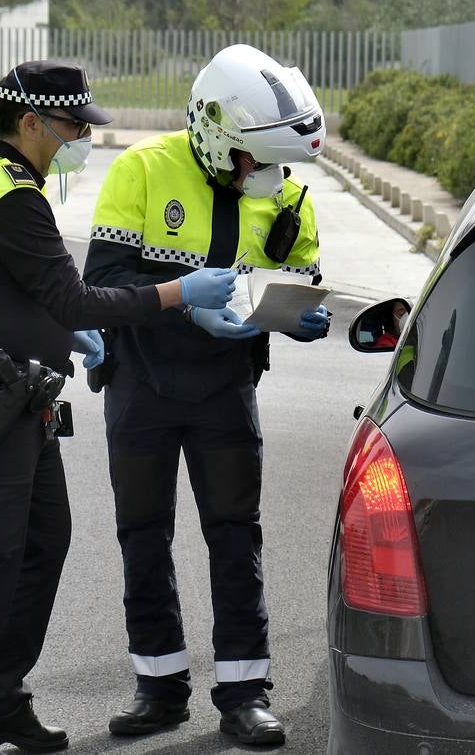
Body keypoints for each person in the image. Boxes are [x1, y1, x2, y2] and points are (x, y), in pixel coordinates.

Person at [0, 61, 239, 753]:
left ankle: (2, 696)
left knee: (45, 543)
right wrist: (177, 293)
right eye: (73, 126)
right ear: (30, 124)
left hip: (25, 399)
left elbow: (24, 296)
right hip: (0, 401)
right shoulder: (10, 195)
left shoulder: (5, 185)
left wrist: (67, 334)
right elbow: (71, 296)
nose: (82, 138)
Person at [83, 44, 331, 746]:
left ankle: (245, 693)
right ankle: (158, 689)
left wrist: (303, 317)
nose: (266, 175)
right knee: (143, 537)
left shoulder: (281, 190)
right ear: (214, 133)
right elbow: (102, 281)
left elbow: (301, 276)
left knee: (234, 535)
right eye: (253, 160)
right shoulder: (141, 170)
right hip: (141, 385)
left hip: (226, 388)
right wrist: (184, 304)